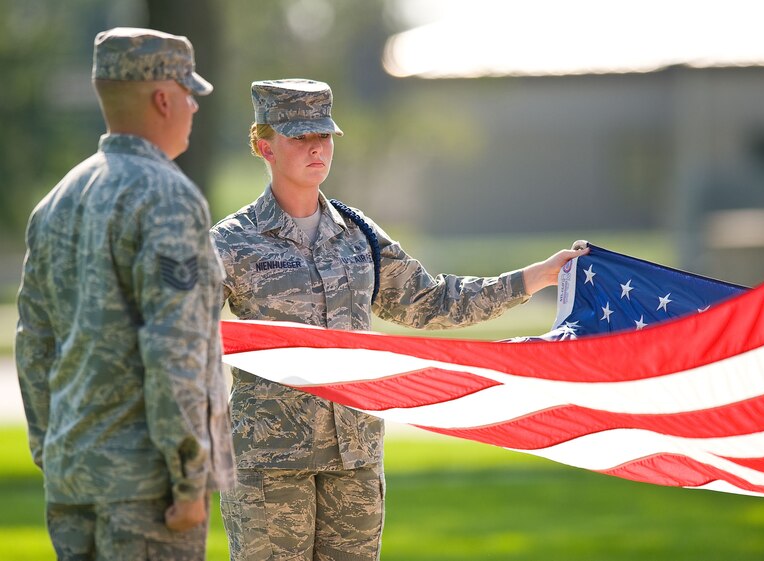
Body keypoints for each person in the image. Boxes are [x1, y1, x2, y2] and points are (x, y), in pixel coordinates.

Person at [211, 78, 588, 561]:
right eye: (299, 138)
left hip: (356, 457)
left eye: (323, 136)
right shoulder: (231, 243)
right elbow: (184, 333)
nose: (316, 149)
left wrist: (535, 277)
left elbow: (431, 302)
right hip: (271, 465)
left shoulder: (358, 234)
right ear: (264, 145)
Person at [15, 27, 235, 561]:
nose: (193, 108)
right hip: (146, 489)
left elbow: (34, 345)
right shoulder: (168, 197)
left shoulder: (56, 201)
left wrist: (54, 453)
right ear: (163, 99)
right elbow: (173, 348)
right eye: (189, 94)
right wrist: (188, 481)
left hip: (73, 479)